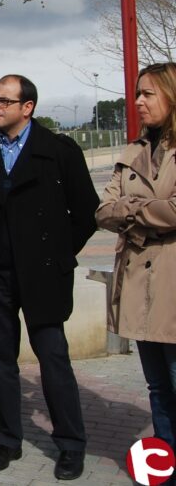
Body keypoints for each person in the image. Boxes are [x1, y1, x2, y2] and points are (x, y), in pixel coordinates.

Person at [0, 74, 97, 480]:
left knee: (53, 359)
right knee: (0, 362)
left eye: (4, 101)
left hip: (42, 275)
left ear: (28, 107)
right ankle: (8, 439)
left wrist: (56, 255)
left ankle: (71, 445)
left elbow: (86, 212)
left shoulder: (58, 151)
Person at [96, 62, 176, 454]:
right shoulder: (135, 150)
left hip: (172, 287)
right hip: (140, 288)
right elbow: (103, 210)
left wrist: (131, 213)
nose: (138, 101)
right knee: (158, 386)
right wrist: (147, 211)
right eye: (137, 93)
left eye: (148, 93)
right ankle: (166, 465)